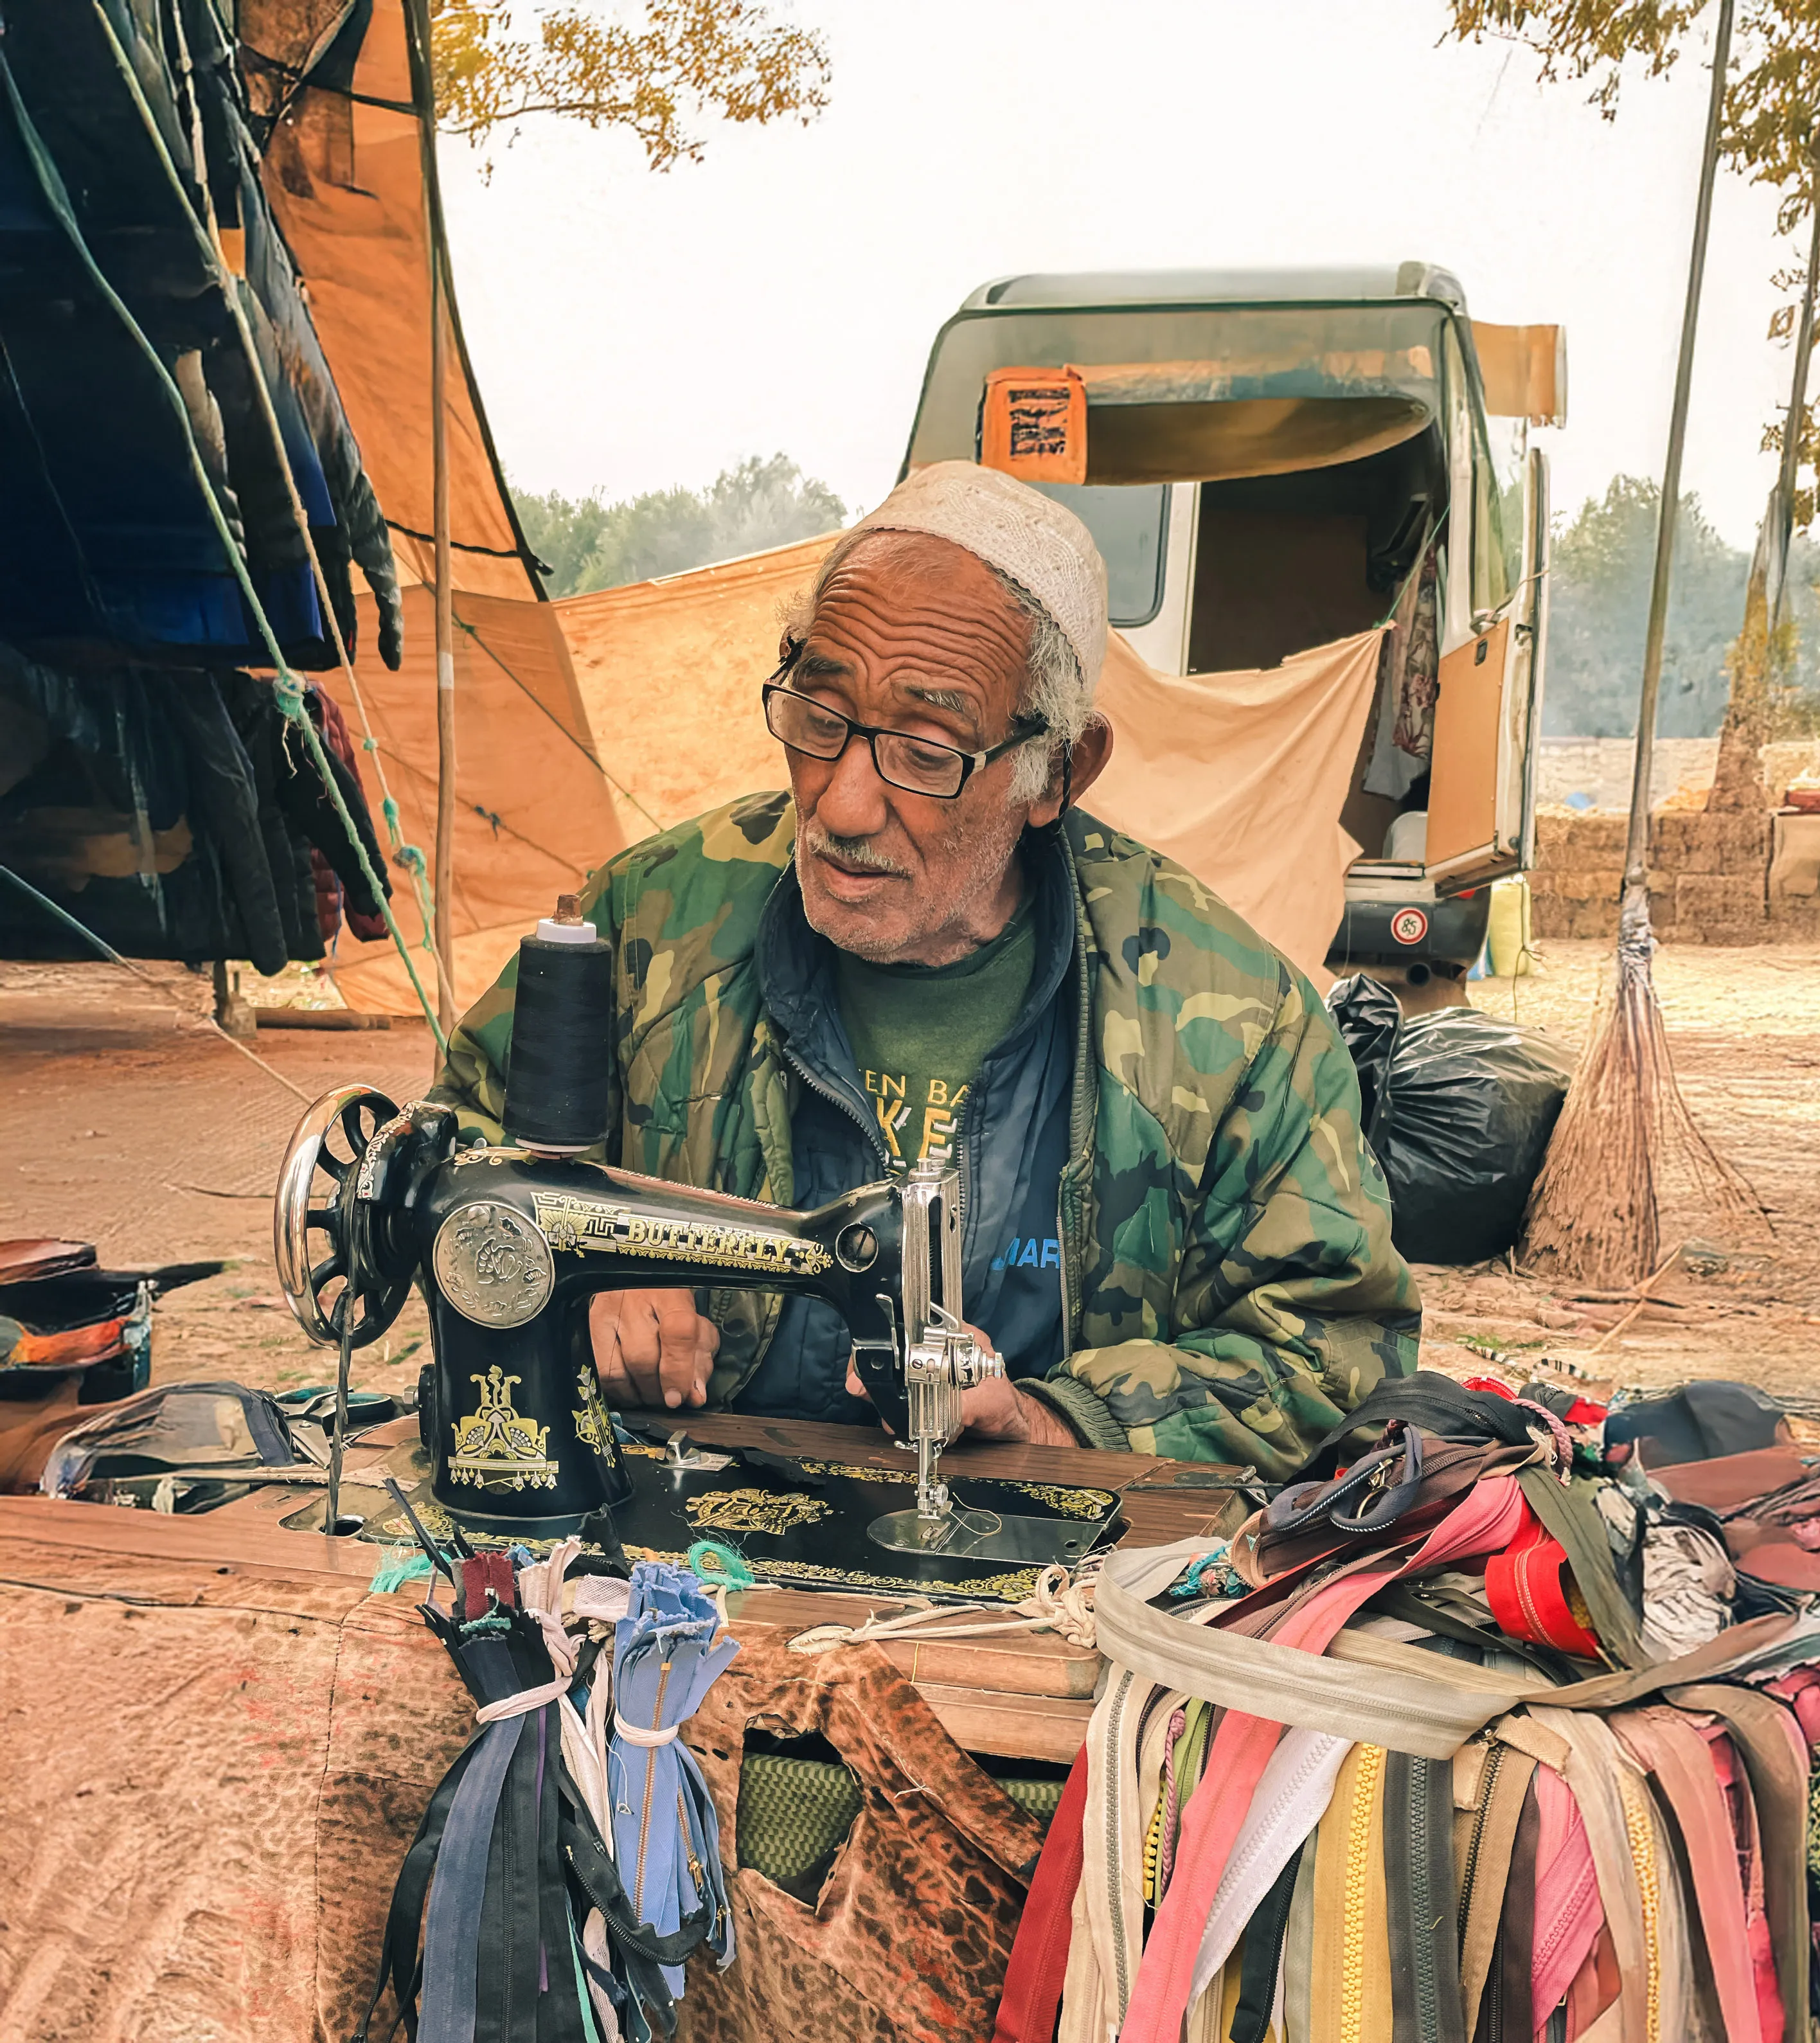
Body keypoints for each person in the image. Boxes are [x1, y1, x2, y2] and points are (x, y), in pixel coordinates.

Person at [429, 462, 1419, 1477]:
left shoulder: (1233, 1023)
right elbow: (452, 1156)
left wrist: (1057, 1418)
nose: (845, 805)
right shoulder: (642, 926)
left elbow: (1334, 1346)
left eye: (925, 749)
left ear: (1060, 771)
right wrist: (564, 1270)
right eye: (820, 720)